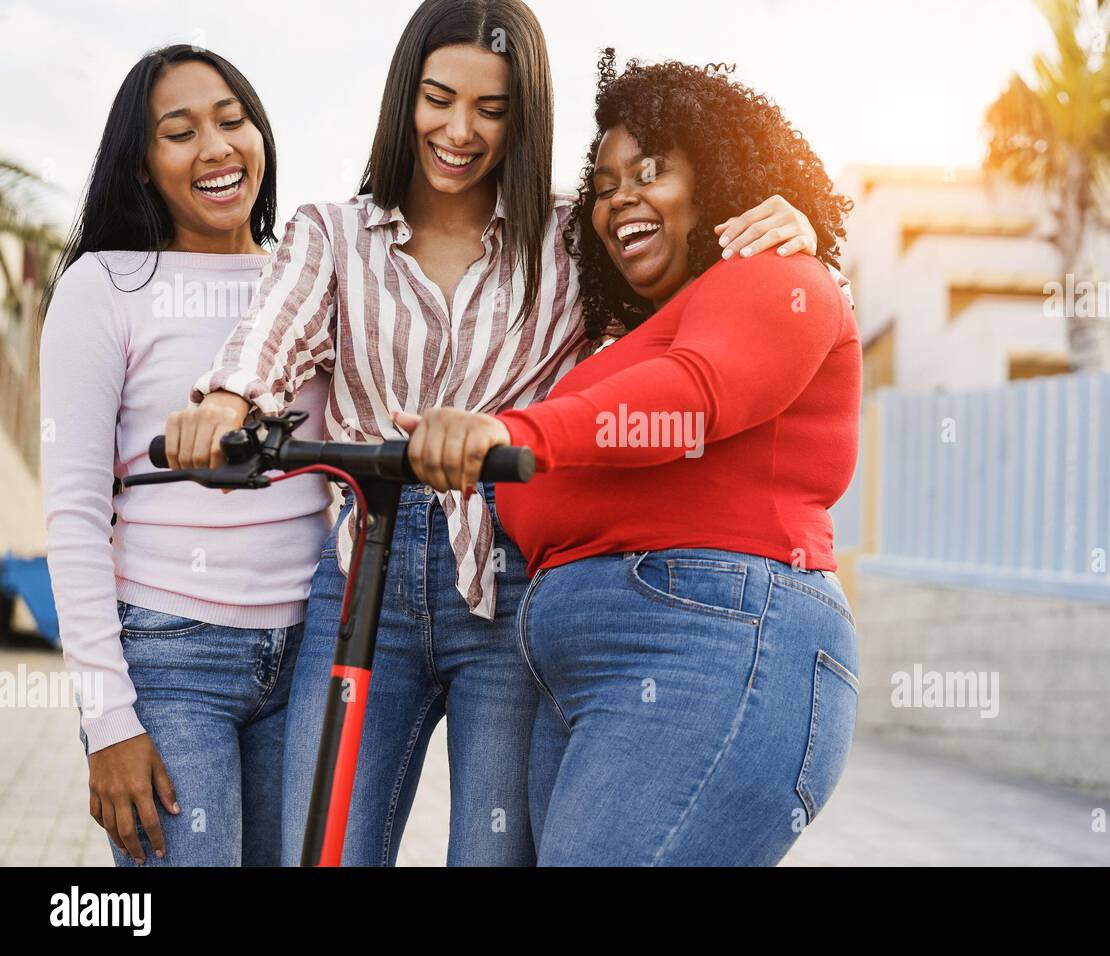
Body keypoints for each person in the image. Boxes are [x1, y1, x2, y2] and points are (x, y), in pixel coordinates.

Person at [167, 0, 839, 866]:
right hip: (360, 570)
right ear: (404, 95)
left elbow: (686, 307)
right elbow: (269, 340)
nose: (459, 131)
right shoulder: (331, 234)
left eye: (492, 109)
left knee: (495, 854)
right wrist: (224, 411)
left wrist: (803, 240)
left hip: (514, 581)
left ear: (524, 120)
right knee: (320, 845)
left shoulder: (571, 237)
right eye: (438, 99)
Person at [401, 52, 862, 865]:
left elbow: (693, 395)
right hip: (589, 678)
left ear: (720, 177)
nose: (620, 201)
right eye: (605, 186)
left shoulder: (774, 278)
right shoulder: (622, 343)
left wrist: (513, 434)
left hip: (708, 647)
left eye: (649, 172)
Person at [39, 45, 332, 866]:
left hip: (310, 657)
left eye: (232, 120)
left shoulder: (307, 284)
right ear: (142, 167)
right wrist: (107, 719)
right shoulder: (107, 286)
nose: (215, 146)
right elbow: (74, 514)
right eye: (181, 132)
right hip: (172, 661)